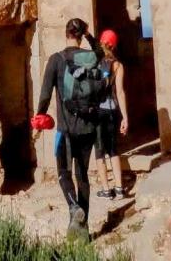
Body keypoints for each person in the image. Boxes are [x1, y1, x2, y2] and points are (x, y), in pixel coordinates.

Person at [34, 17, 105, 241]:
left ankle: (74, 209)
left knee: (63, 173)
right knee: (82, 176)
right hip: (88, 128)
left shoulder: (56, 60)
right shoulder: (92, 58)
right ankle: (82, 232)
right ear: (81, 34)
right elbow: (101, 50)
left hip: (65, 130)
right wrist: (90, 35)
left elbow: (45, 94)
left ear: (66, 33)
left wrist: (39, 121)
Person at [94, 29, 129, 200]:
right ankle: (120, 188)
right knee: (113, 150)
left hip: (97, 111)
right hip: (112, 110)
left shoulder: (96, 63)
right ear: (114, 46)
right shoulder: (118, 65)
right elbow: (120, 92)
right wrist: (125, 117)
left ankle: (106, 190)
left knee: (100, 151)